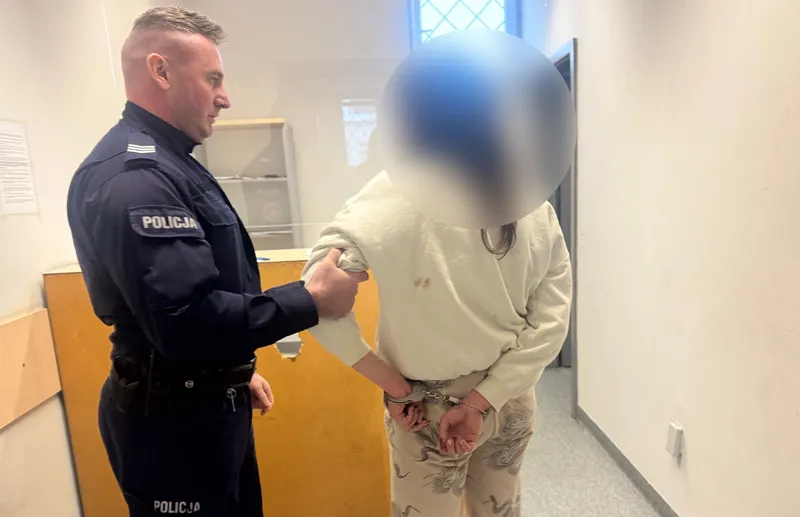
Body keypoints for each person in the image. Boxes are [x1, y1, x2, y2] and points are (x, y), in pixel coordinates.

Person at [66, 7, 367, 517]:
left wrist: (231, 372)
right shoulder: (137, 177)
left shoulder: (172, 162)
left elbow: (182, 300)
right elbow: (185, 321)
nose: (224, 97)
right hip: (173, 424)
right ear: (161, 71)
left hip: (199, 401)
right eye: (213, 79)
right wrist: (311, 300)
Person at [300, 38, 574, 517]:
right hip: (508, 399)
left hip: (423, 406)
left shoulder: (388, 195)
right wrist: (483, 400)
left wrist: (393, 385)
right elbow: (551, 324)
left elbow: (317, 302)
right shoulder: (532, 202)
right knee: (500, 510)